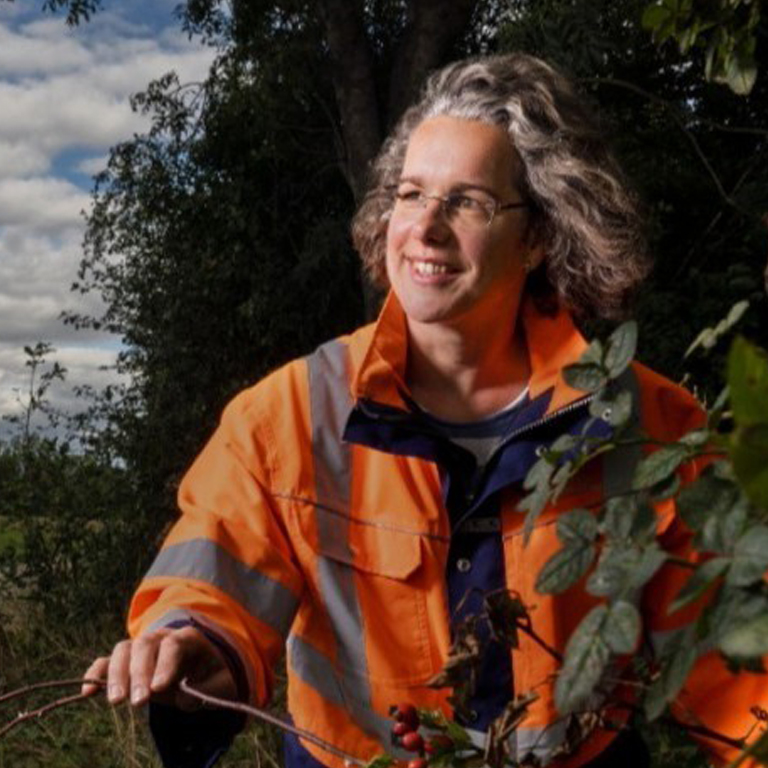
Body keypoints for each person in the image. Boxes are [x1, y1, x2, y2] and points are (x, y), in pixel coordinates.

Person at [83, 53, 765, 768]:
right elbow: (213, 569)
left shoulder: (648, 423)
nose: (426, 228)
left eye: (468, 201)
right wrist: (189, 643)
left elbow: (738, 667)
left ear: (538, 236)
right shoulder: (292, 413)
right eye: (411, 194)